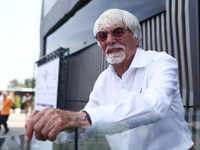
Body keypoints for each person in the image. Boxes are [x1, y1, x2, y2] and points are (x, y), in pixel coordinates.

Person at [25, 8, 194, 149]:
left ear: (136, 39)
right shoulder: (102, 80)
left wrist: (81, 118)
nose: (110, 40)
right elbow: (85, 124)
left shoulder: (161, 62)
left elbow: (154, 105)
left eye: (118, 32)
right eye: (102, 36)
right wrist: (53, 125)